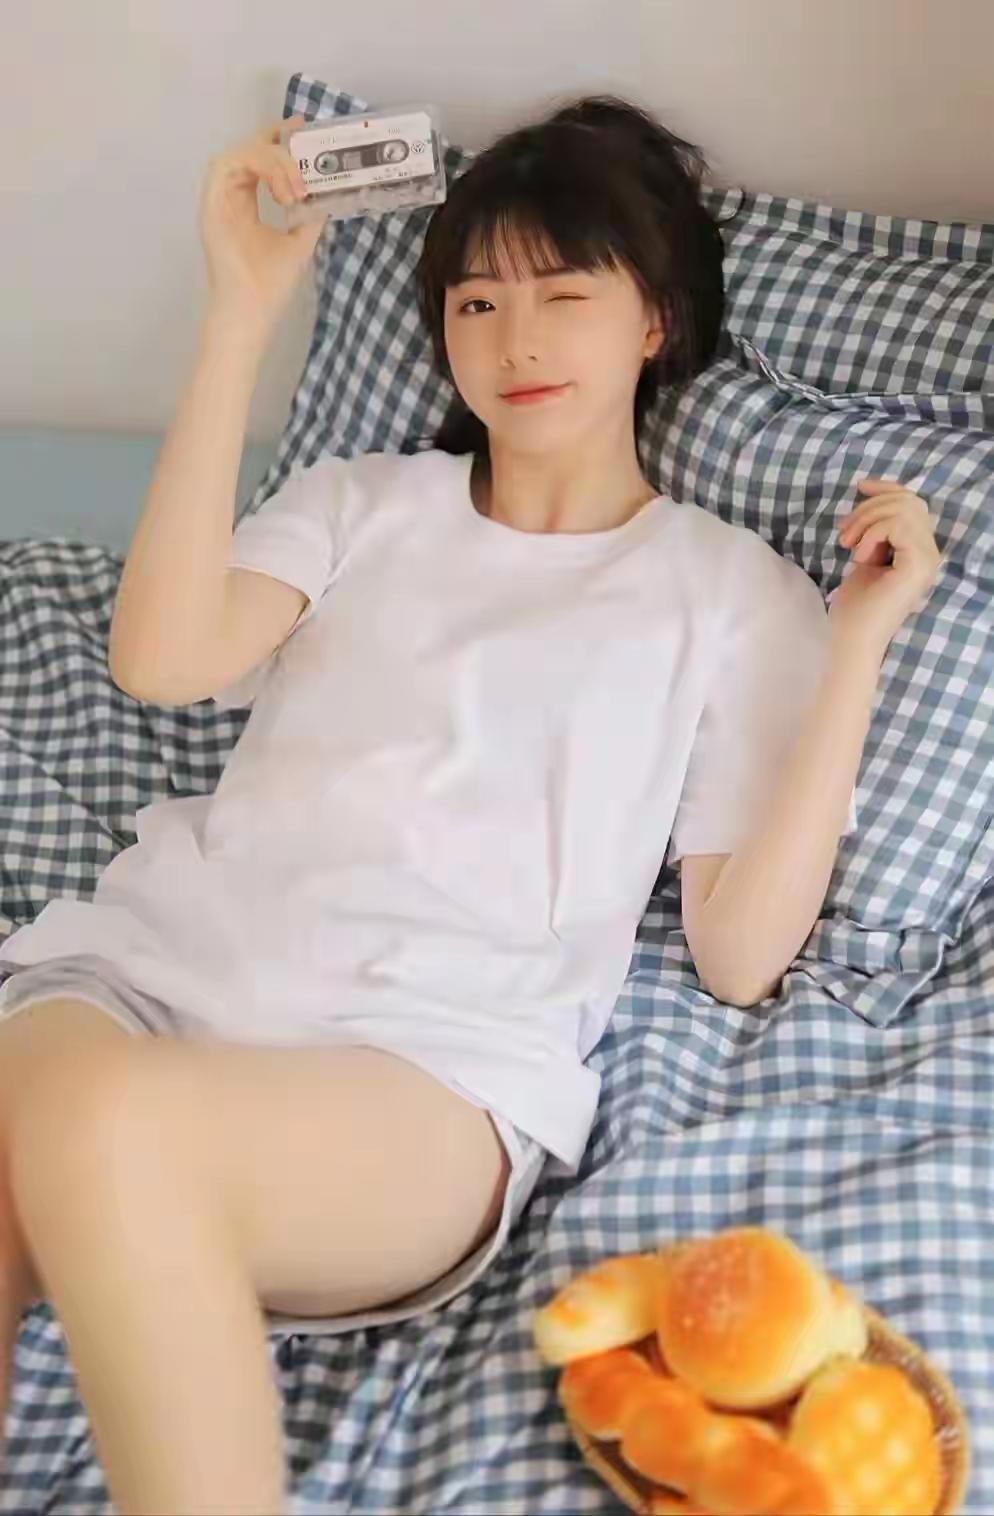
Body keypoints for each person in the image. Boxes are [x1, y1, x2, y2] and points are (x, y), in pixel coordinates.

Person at [0, 96, 942, 1513]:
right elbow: (158, 660)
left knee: (101, 1127)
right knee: (50, 1122)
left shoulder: (727, 592)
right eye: (477, 302)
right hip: (148, 977)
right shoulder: (359, 502)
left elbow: (741, 954)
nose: (515, 340)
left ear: (653, 321)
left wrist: (856, 648)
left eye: (564, 295)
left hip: (425, 1069)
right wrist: (241, 317)